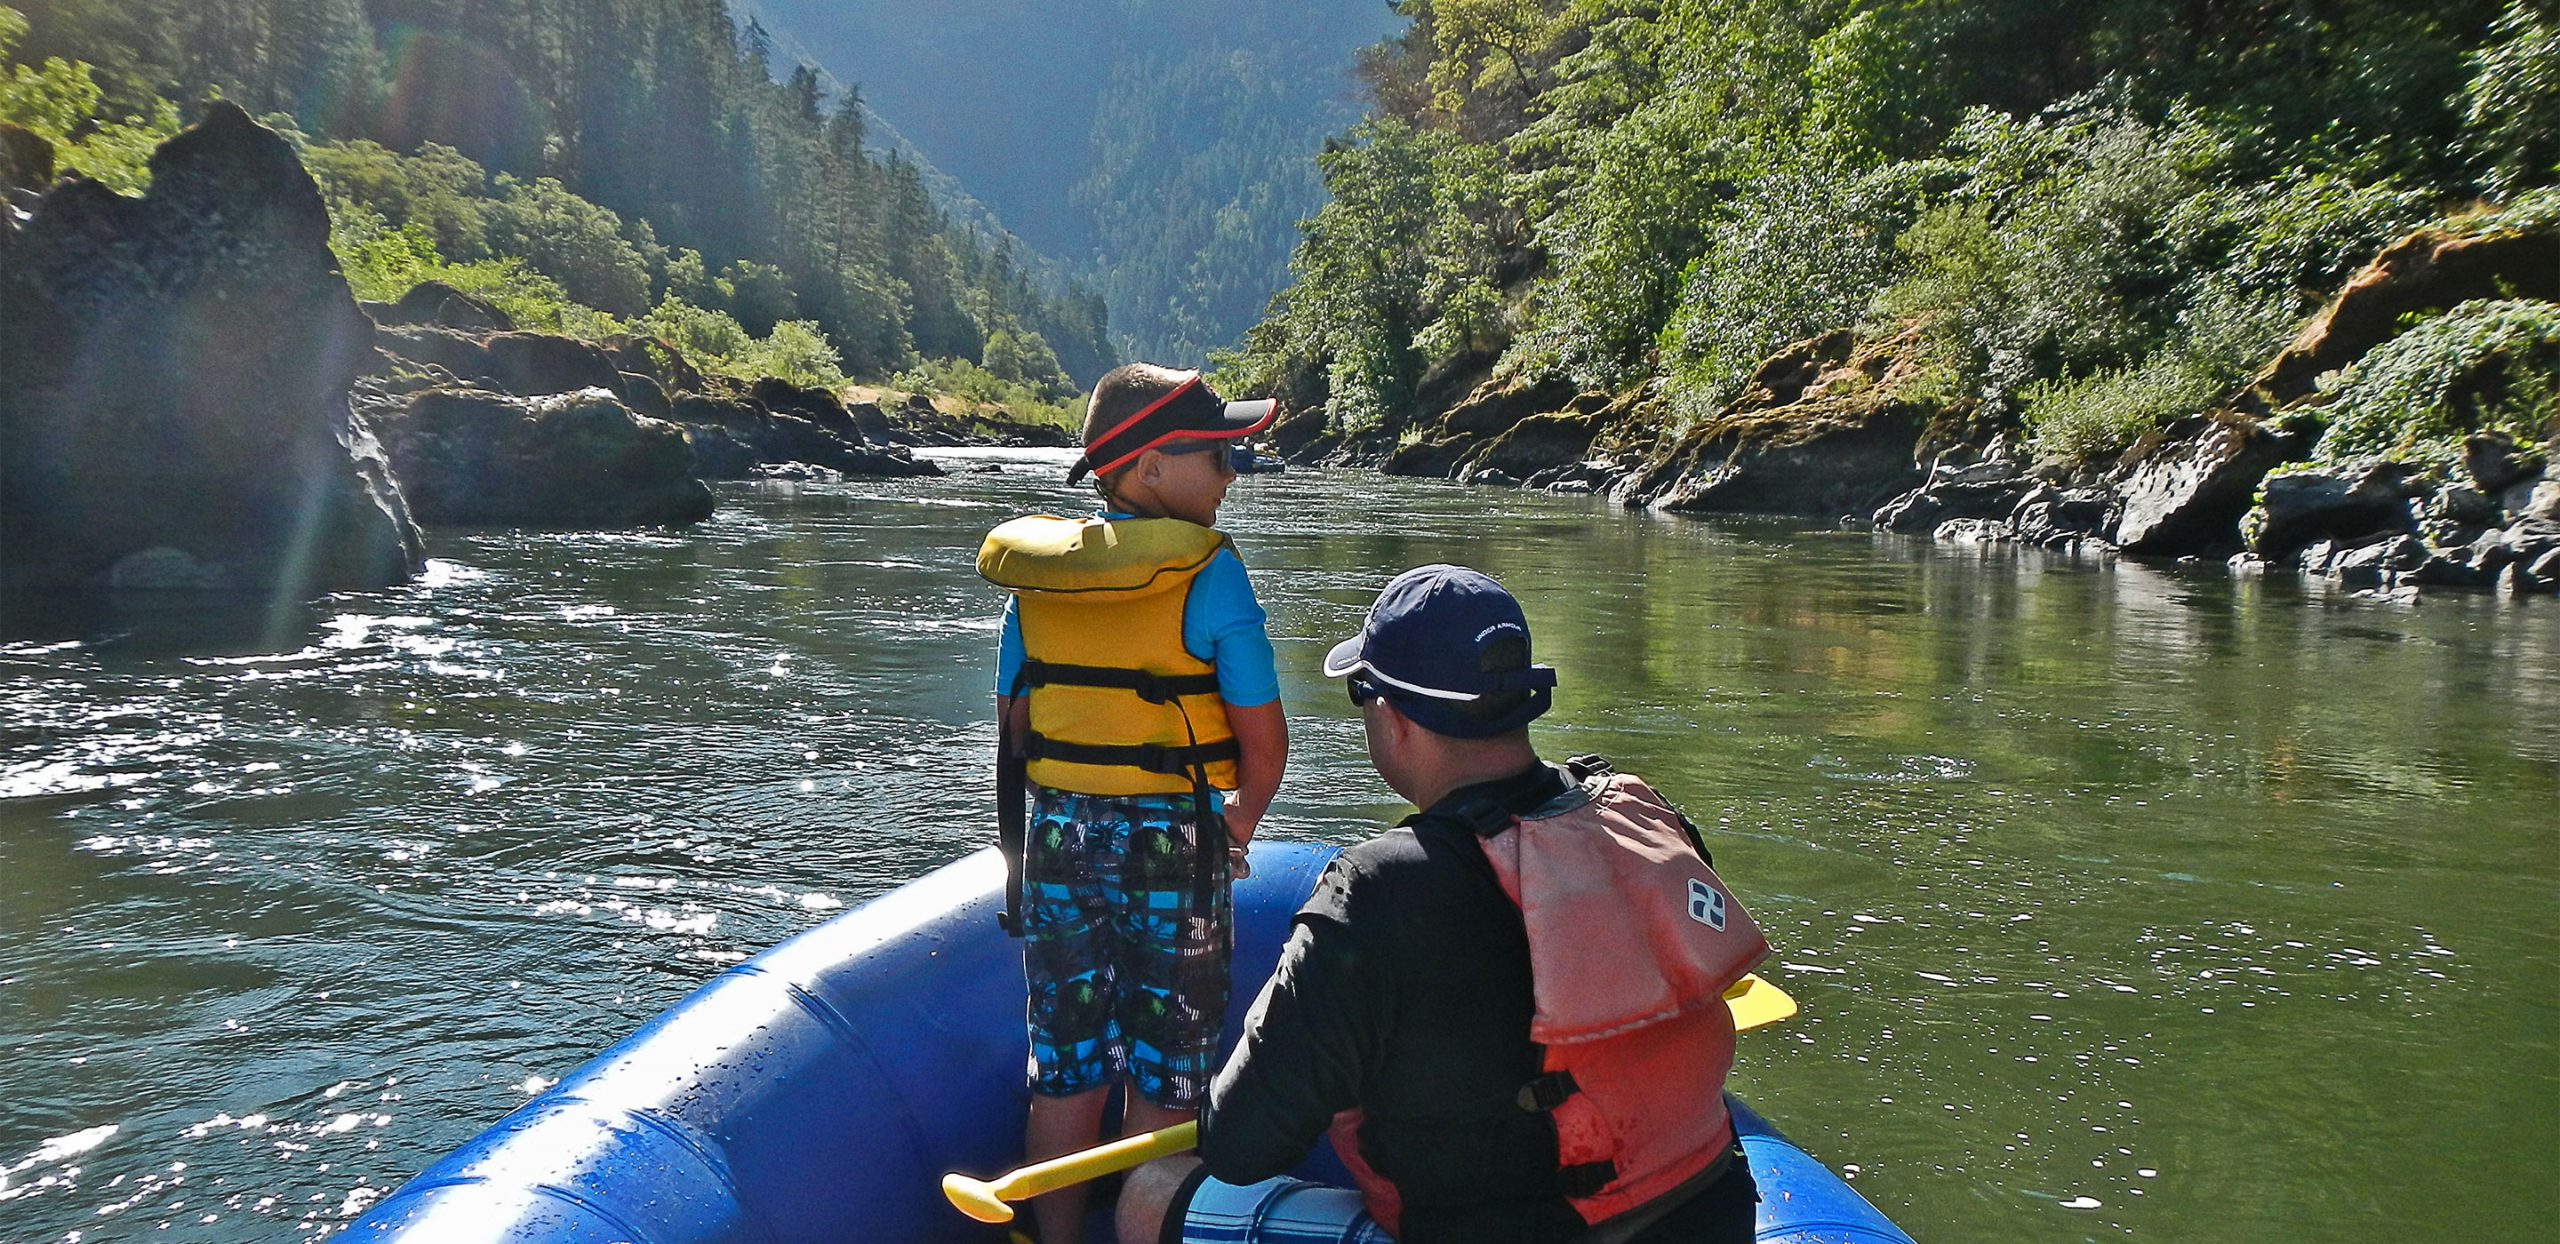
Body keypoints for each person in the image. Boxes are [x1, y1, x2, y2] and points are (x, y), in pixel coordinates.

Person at [1118, 565, 1768, 1244]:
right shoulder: (1644, 815)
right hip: (1710, 1214)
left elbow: (1239, 1143)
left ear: (1391, 717)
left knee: (1151, 1192)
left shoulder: (1374, 892)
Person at [976, 363, 1290, 1244]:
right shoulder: (1211, 575)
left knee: (1064, 1062)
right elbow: (1264, 744)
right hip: (1176, 847)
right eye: (1221, 455)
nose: (1234, 472)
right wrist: (1242, 821)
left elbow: (1015, 727)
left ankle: (1059, 1239)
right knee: (1168, 1066)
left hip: (1056, 841)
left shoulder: (1040, 581)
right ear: (1149, 468)